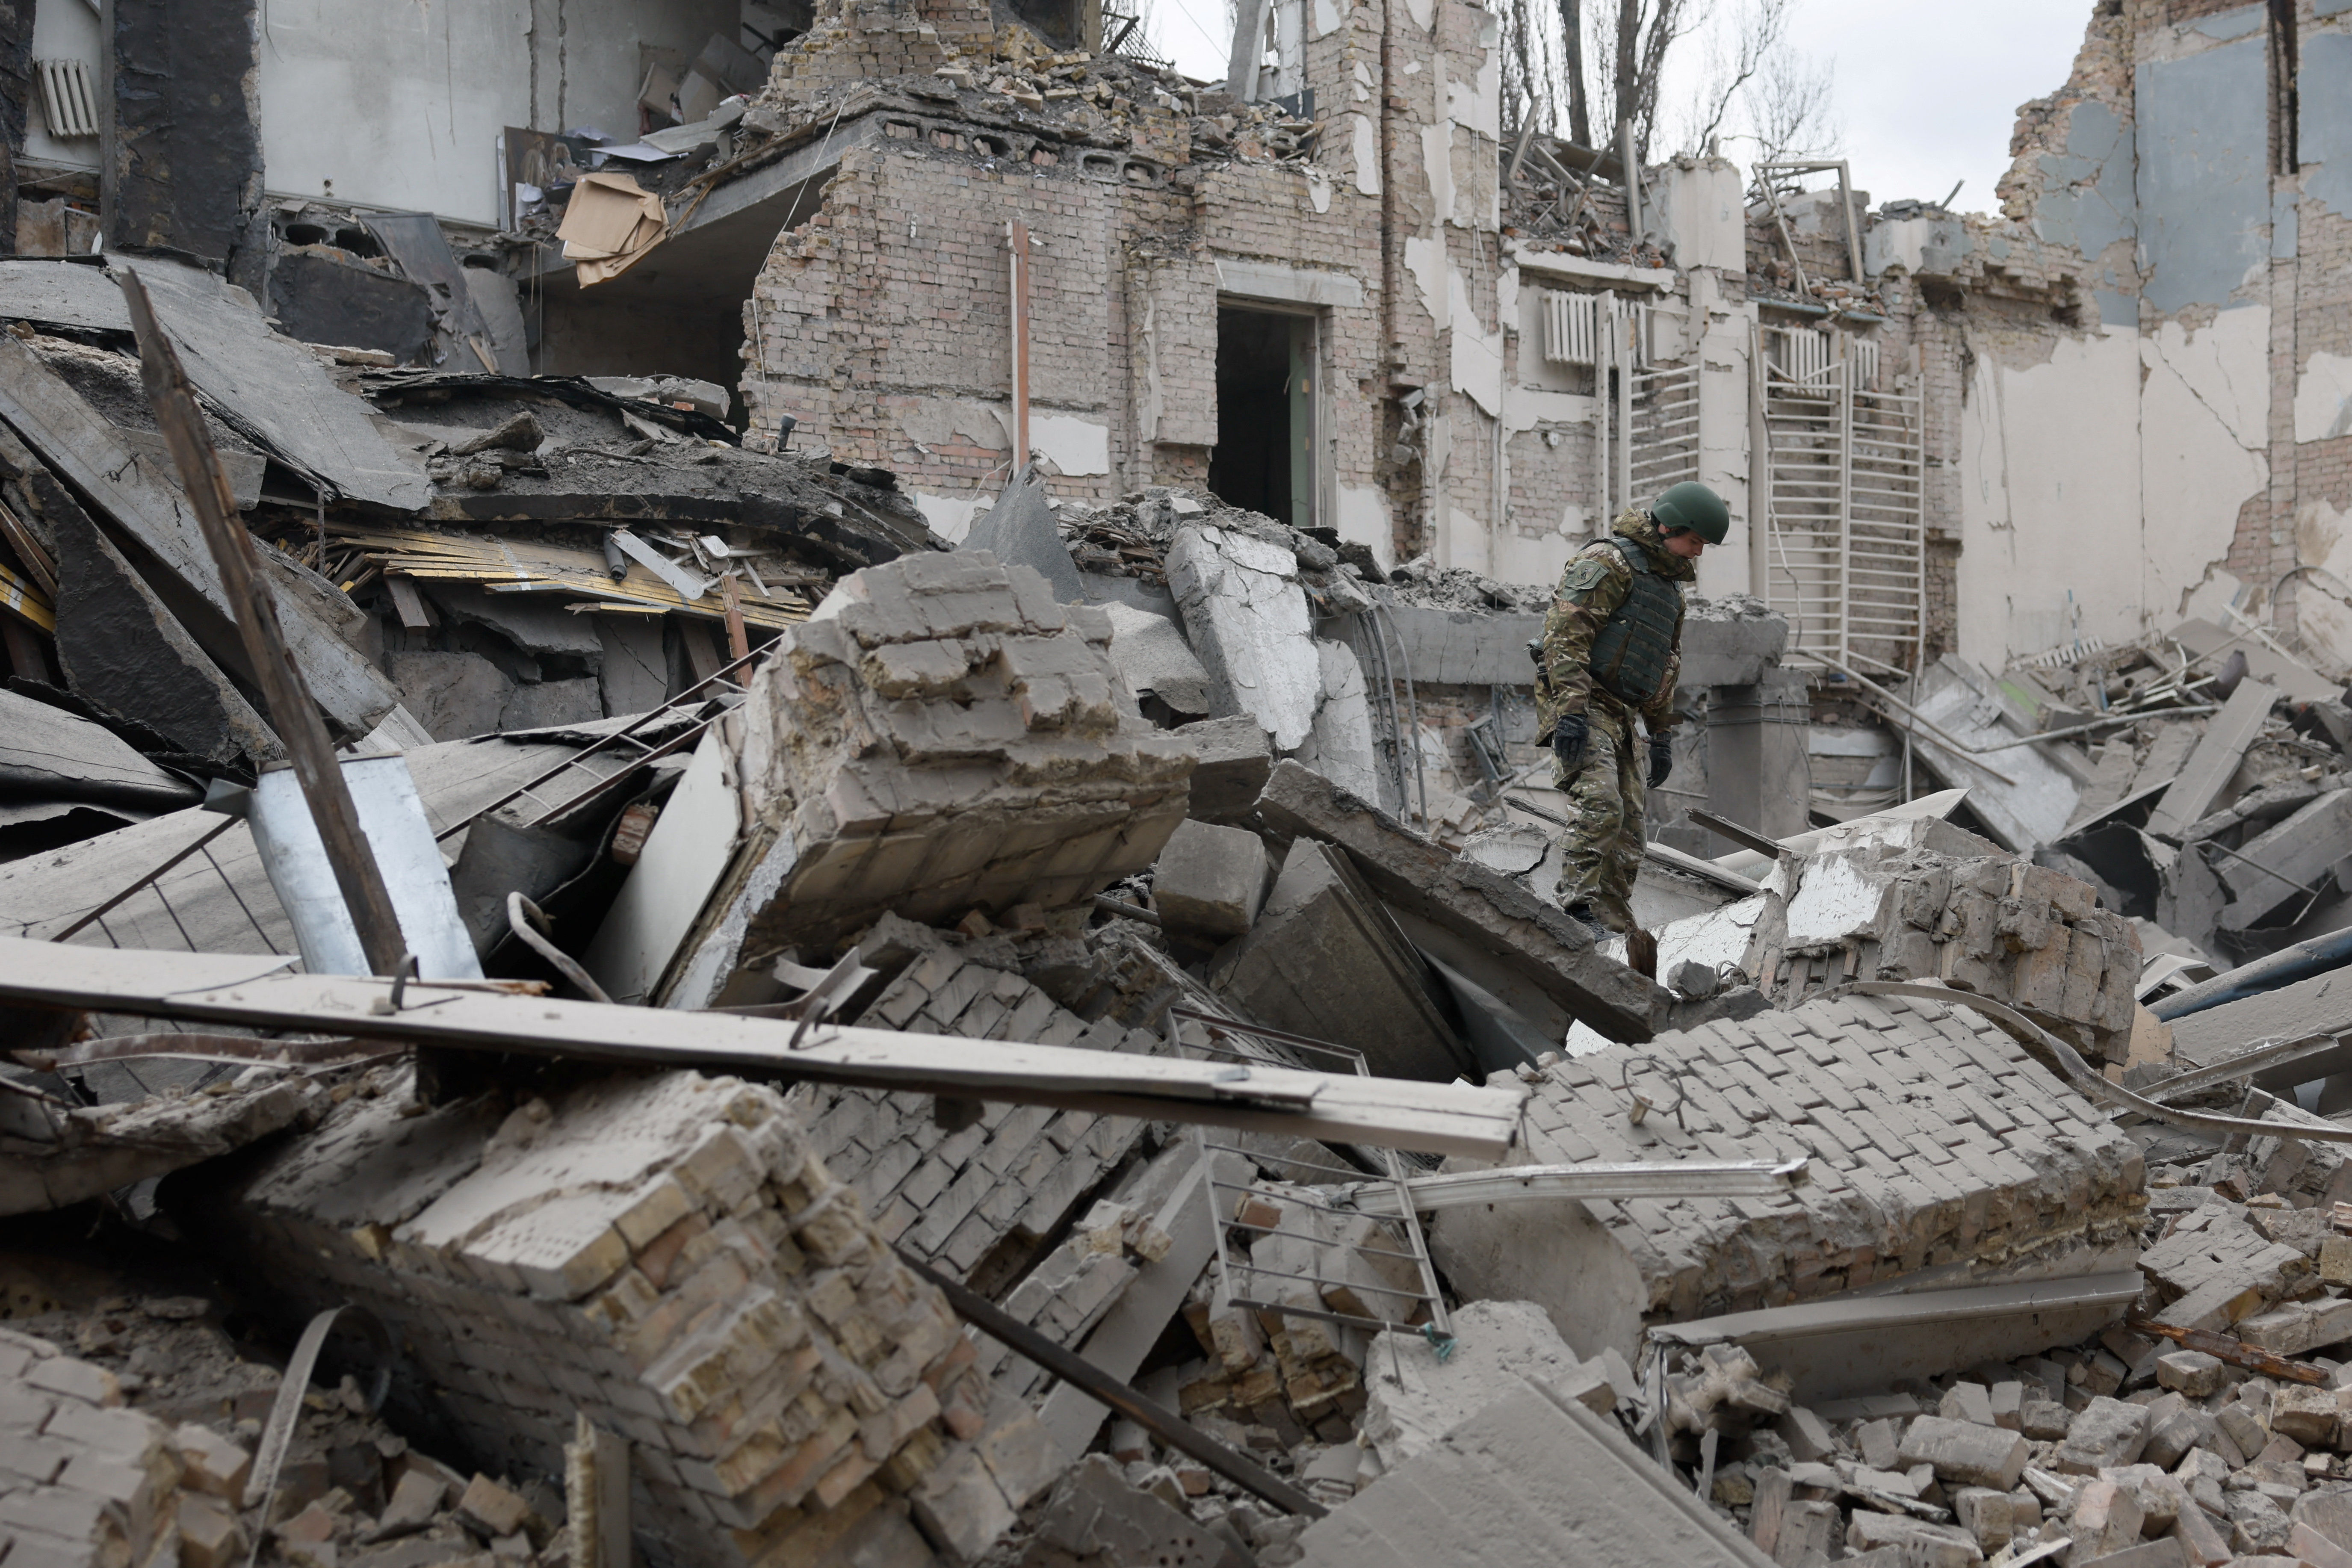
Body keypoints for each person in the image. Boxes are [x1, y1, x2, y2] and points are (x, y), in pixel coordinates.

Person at [1534, 480, 1730, 938]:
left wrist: (1661, 734)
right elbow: (1565, 637)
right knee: (1601, 804)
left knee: (1630, 832)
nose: (1698, 552)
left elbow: (1665, 663)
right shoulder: (1608, 561)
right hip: (1584, 700)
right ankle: (1577, 911)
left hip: (1622, 712)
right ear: (1667, 526)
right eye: (1695, 540)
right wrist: (1570, 712)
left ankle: (1612, 927)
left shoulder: (1669, 590)